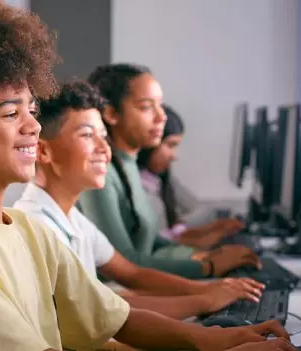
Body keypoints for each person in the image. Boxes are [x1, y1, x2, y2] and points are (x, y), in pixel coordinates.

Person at [0, 3, 295, 351]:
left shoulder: (29, 232)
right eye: (11, 113)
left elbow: (117, 318)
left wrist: (218, 338)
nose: (33, 126)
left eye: (32, 110)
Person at [14, 79, 264, 321]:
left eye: (103, 136)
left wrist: (208, 290)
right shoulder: (36, 226)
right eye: (88, 135)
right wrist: (203, 300)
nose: (104, 148)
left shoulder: (72, 219)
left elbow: (131, 273)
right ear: (43, 151)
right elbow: (98, 310)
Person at [78, 63, 261, 279]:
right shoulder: (102, 173)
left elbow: (152, 242)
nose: (161, 117)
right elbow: (123, 262)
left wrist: (205, 255)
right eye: (146, 107)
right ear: (111, 114)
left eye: (160, 105)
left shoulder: (128, 164)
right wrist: (206, 266)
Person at [137, 103, 244, 249]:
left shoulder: (159, 179)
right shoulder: (138, 188)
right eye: (170, 145)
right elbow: (156, 245)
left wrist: (208, 230)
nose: (174, 156)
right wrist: (202, 238)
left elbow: (191, 211)